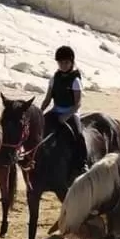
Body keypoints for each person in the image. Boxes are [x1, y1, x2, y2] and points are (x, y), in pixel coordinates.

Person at [40, 45, 88, 175]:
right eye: (61, 62)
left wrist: (67, 115)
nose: (63, 65)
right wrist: (40, 112)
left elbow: (77, 104)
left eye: (66, 62)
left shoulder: (76, 80)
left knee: (78, 134)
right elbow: (48, 99)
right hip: (56, 110)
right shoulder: (54, 79)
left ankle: (83, 162)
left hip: (71, 112)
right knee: (39, 130)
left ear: (71, 62)